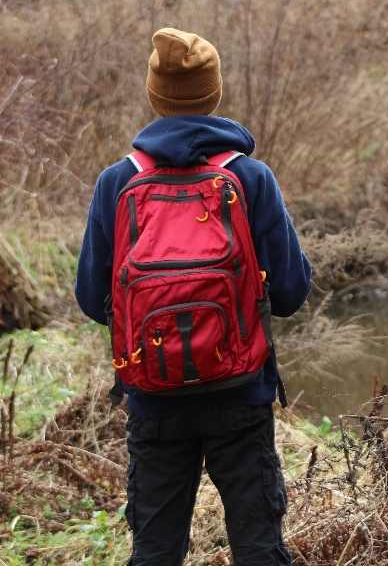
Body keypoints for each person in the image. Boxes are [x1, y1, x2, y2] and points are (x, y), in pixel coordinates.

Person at [75, 28, 311, 565]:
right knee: (258, 548)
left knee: (156, 552)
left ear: (155, 97)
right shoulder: (249, 177)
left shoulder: (116, 182)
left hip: (152, 397)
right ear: (215, 94)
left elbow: (92, 299)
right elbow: (293, 292)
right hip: (240, 393)